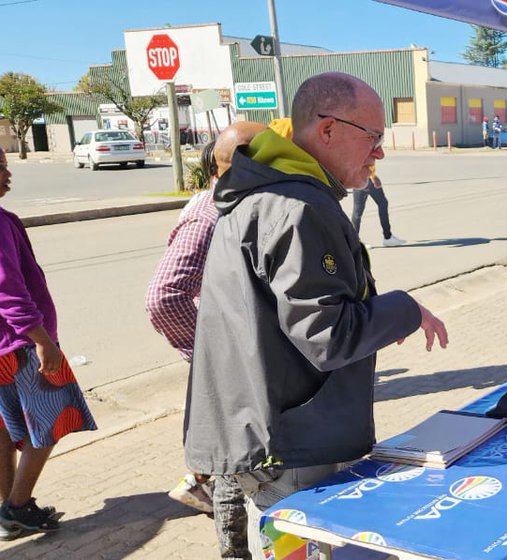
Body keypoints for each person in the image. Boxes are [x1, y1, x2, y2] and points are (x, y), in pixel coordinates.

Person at [182, 73, 449, 559]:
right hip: (291, 447)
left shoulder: (274, 194)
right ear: (327, 129)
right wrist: (404, 309)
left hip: (272, 433)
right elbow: (327, 335)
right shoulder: (298, 206)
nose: (380, 152)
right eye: (373, 137)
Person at [147, 122, 268, 559]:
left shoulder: (233, 204)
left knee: (233, 463)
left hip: (238, 361)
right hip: (230, 363)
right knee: (234, 465)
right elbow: (165, 296)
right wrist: (213, 352)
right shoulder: (210, 214)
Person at [0, 137, 97, 539]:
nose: (7, 172)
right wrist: (42, 340)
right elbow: (7, 290)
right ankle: (15, 508)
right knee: (49, 422)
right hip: (16, 343)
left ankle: (10, 511)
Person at [351, 170, 404, 248]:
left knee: (358, 209)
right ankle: (387, 237)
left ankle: (354, 241)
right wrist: (373, 177)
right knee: (380, 204)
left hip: (358, 179)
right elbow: (364, 164)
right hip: (365, 178)